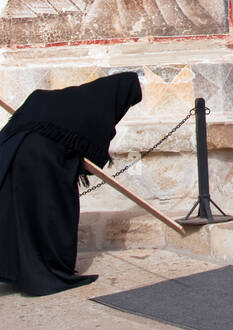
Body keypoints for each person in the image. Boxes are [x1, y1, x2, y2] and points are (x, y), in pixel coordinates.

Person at [0, 73, 142, 295]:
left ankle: (18, 271)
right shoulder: (98, 107)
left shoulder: (67, 97)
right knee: (50, 214)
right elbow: (90, 149)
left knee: (22, 214)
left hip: (13, 154)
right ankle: (44, 274)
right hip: (42, 162)